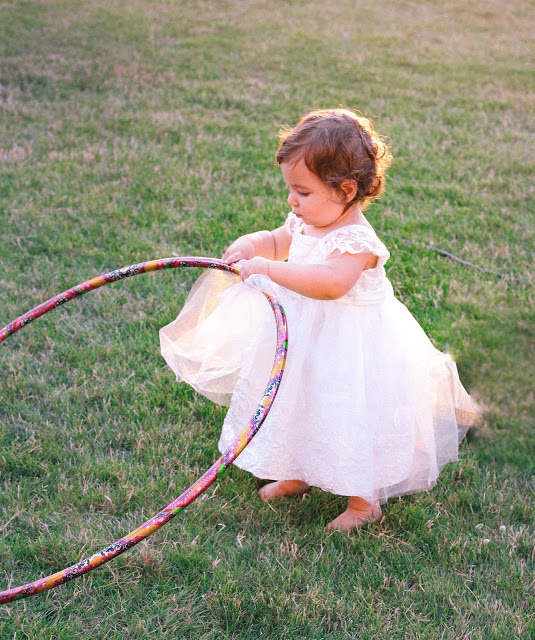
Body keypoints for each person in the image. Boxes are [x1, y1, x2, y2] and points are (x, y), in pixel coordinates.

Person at [160, 109, 478, 531]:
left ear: (345, 190)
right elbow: (278, 240)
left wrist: (270, 270)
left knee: (346, 416)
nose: (292, 201)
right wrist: (253, 245)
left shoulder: (357, 241)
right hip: (303, 339)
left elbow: (331, 284)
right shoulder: (309, 220)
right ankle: (296, 472)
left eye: (302, 192)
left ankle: (365, 503)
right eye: (290, 190)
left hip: (350, 352)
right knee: (297, 405)